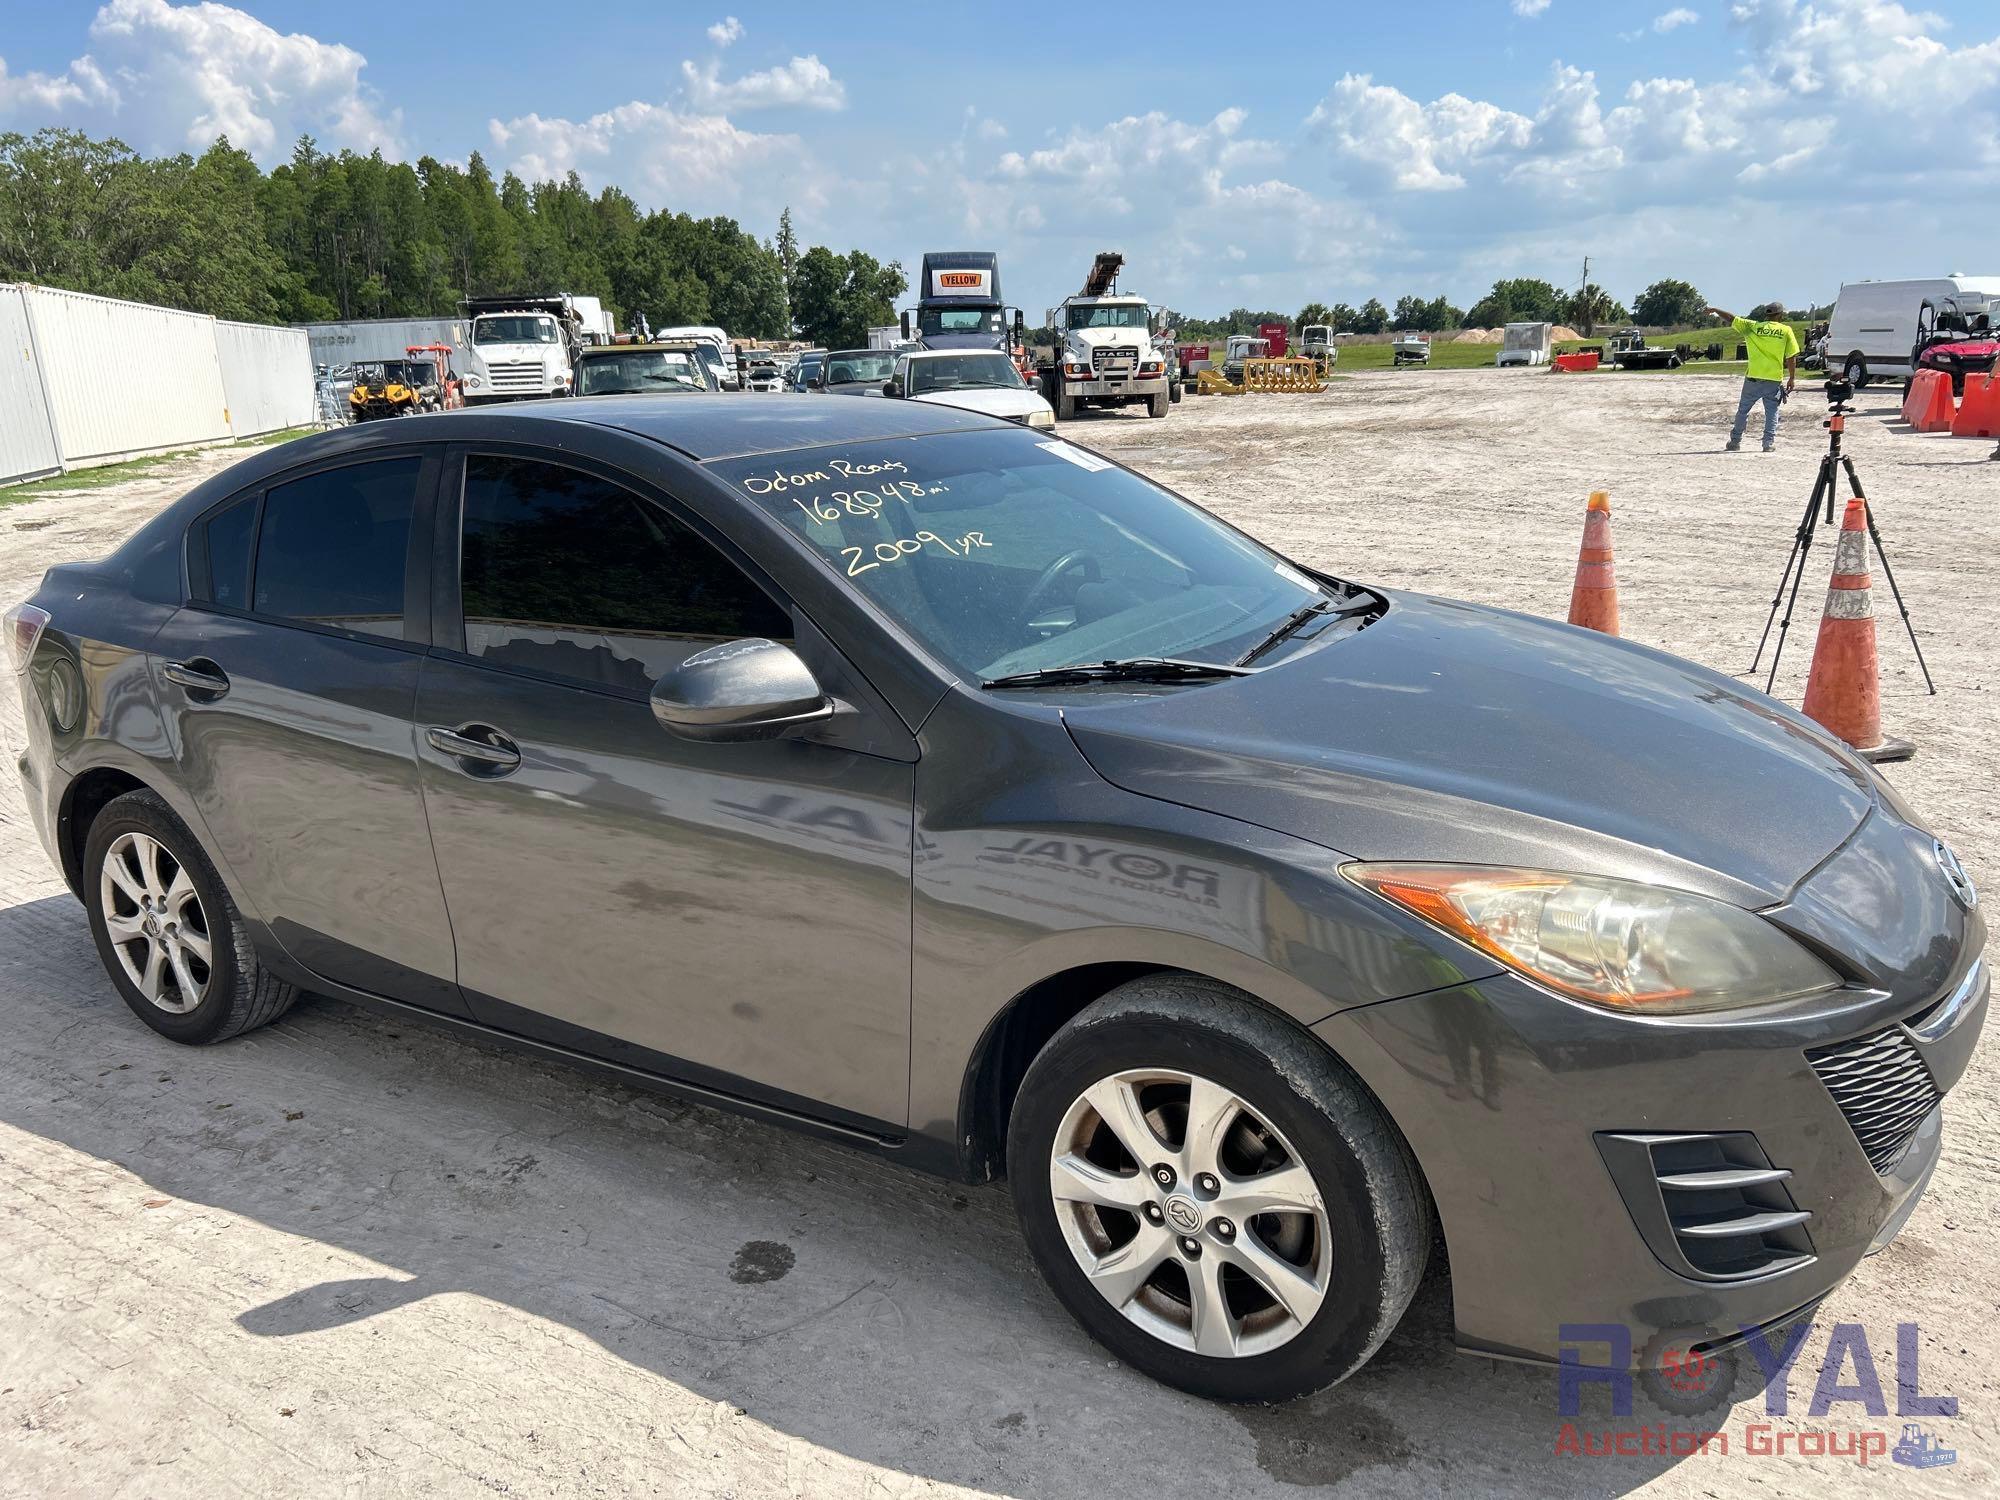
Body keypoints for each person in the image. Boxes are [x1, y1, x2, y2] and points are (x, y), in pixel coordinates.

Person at [1705, 305, 1799, 452]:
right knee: (1772, 412)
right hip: (1773, 379)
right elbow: (1791, 356)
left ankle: (1735, 442)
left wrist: (1716, 310)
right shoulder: (1786, 330)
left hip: (1753, 378)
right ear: (1780, 315)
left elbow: (1731, 319)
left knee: (1743, 410)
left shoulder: (1752, 327)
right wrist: (1792, 378)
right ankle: (1767, 444)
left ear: (1766, 315)